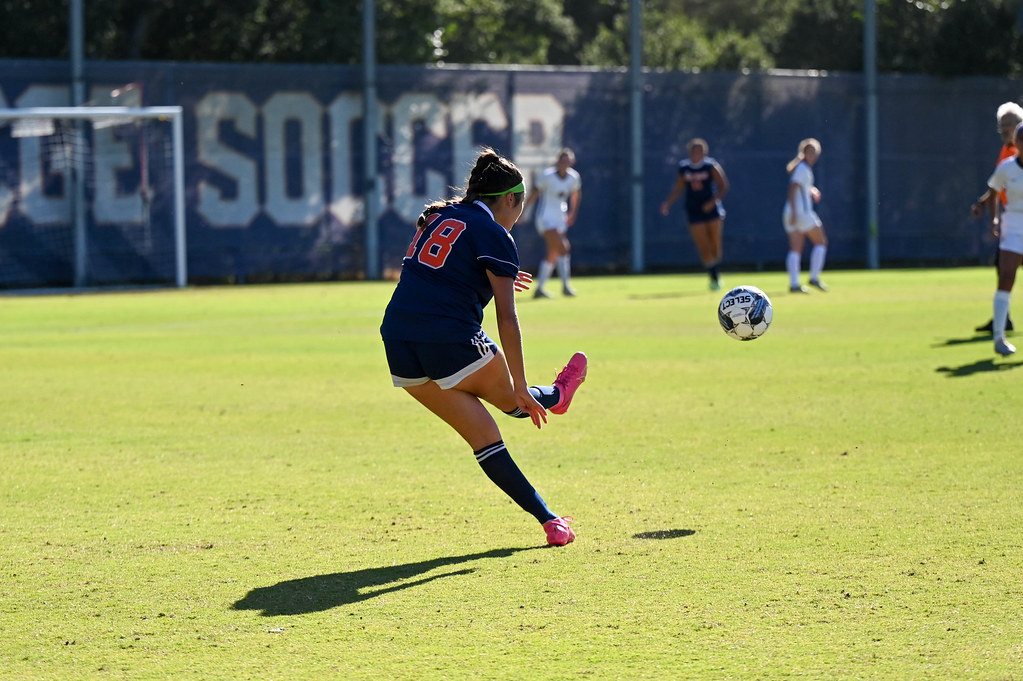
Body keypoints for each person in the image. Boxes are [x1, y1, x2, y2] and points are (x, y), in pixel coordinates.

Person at [380, 147, 587, 546]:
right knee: (516, 404)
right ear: (510, 200)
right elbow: (507, 319)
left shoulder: (440, 214)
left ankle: (550, 521)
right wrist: (522, 386)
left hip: (398, 340)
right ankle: (558, 394)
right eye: (520, 204)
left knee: (485, 439)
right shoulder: (494, 232)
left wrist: (493, 273)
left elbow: (434, 270)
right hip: (448, 336)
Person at [970, 101, 1023, 334]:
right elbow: (997, 187)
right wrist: (984, 204)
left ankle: (1003, 319)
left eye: (1010, 123)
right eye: (1002, 124)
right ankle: (1003, 319)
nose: (1005, 129)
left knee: (1004, 268)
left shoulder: (1017, 151)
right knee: (1003, 268)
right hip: (1014, 223)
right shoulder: (1007, 153)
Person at [660, 138, 730, 290]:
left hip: (712, 209)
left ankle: (715, 272)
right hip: (694, 209)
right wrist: (667, 203)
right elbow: (678, 188)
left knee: (715, 244)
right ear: (689, 152)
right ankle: (714, 276)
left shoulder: (711, 166)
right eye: (694, 150)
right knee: (703, 244)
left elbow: (723, 185)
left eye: (700, 150)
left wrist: (712, 202)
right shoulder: (684, 168)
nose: (696, 153)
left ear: (705, 152)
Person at [983, 122, 1023, 356]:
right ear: (1016, 143)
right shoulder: (1007, 167)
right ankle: (999, 337)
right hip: (1014, 224)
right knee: (1007, 277)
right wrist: (995, 219)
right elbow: (994, 192)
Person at [524, 148, 582, 298]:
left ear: (572, 162)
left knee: (553, 253)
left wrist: (572, 213)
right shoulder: (547, 176)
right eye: (562, 160)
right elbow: (534, 193)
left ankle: (539, 289)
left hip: (560, 218)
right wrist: (523, 212)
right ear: (558, 161)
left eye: (567, 161)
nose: (564, 163)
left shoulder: (574, 177)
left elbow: (576, 194)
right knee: (564, 248)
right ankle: (566, 286)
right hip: (545, 218)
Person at [782, 138, 829, 293]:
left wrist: (811, 190)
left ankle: (794, 284)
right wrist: (795, 212)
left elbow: (802, 186)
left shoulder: (802, 168)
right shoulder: (802, 168)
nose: (812, 155)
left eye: (814, 152)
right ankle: (814, 278)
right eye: (809, 152)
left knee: (796, 249)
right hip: (801, 213)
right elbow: (792, 188)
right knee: (821, 242)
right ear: (803, 153)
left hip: (791, 213)